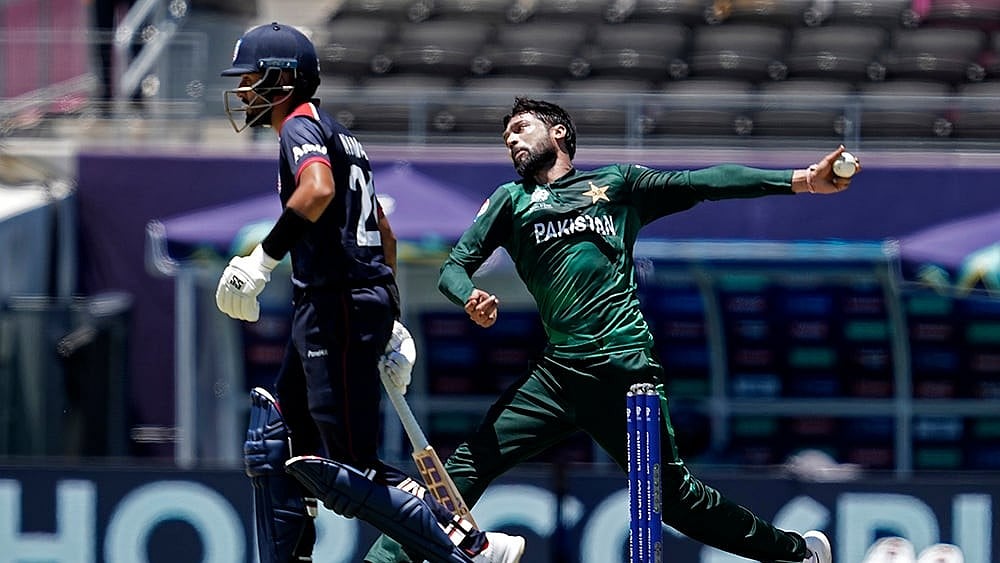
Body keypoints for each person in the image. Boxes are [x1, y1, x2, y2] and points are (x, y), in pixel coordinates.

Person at [364, 97, 860, 563]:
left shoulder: (617, 185)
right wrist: (468, 296)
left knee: (677, 501)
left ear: (558, 132)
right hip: (559, 376)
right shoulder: (510, 201)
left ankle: (797, 555)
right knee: (466, 467)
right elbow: (454, 266)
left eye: (520, 129)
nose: (512, 142)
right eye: (505, 138)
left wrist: (801, 181)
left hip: (624, 368)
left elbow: (705, 181)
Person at [213, 22, 525, 563]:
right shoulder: (342, 134)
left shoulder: (300, 129)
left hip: (335, 305)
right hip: (345, 301)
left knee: (352, 468)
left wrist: (262, 260)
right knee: (275, 441)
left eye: (252, 78)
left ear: (284, 79)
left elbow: (318, 190)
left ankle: (469, 544)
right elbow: (384, 227)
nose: (244, 92)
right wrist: (390, 315)